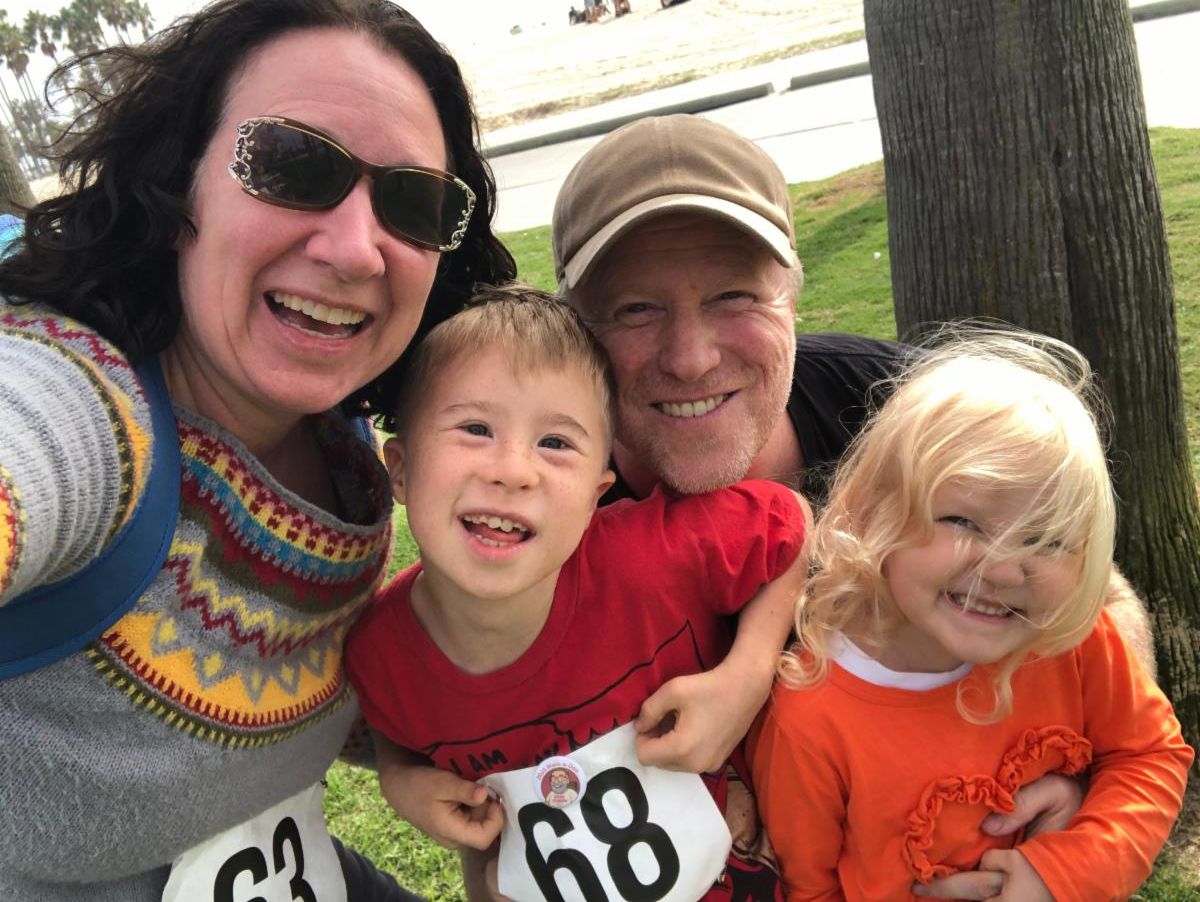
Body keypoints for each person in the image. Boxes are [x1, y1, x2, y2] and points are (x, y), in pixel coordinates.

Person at [549, 112, 1160, 896]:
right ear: (576, 326)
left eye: (736, 296)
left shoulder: (907, 414)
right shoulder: (552, 515)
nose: (692, 357)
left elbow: (1094, 596)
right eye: (637, 309)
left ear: (791, 295)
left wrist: (1078, 780)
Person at [0, 1, 515, 899]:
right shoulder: (82, 405)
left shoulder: (348, 449)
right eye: (292, 165)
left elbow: (288, 679)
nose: (358, 250)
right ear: (177, 187)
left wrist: (400, 747)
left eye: (413, 202)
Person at [344, 285, 811, 900]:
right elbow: (396, 719)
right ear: (399, 469)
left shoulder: (647, 561)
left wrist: (747, 672)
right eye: (476, 428)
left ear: (598, 494)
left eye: (555, 443)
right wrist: (399, 778)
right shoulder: (379, 654)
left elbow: (788, 524)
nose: (513, 470)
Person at [746, 329, 1193, 900]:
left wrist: (1066, 874)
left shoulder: (1069, 639)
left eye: (1046, 539)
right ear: (874, 513)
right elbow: (806, 889)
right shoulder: (810, 718)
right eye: (963, 522)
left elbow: (1151, 755)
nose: (1006, 571)